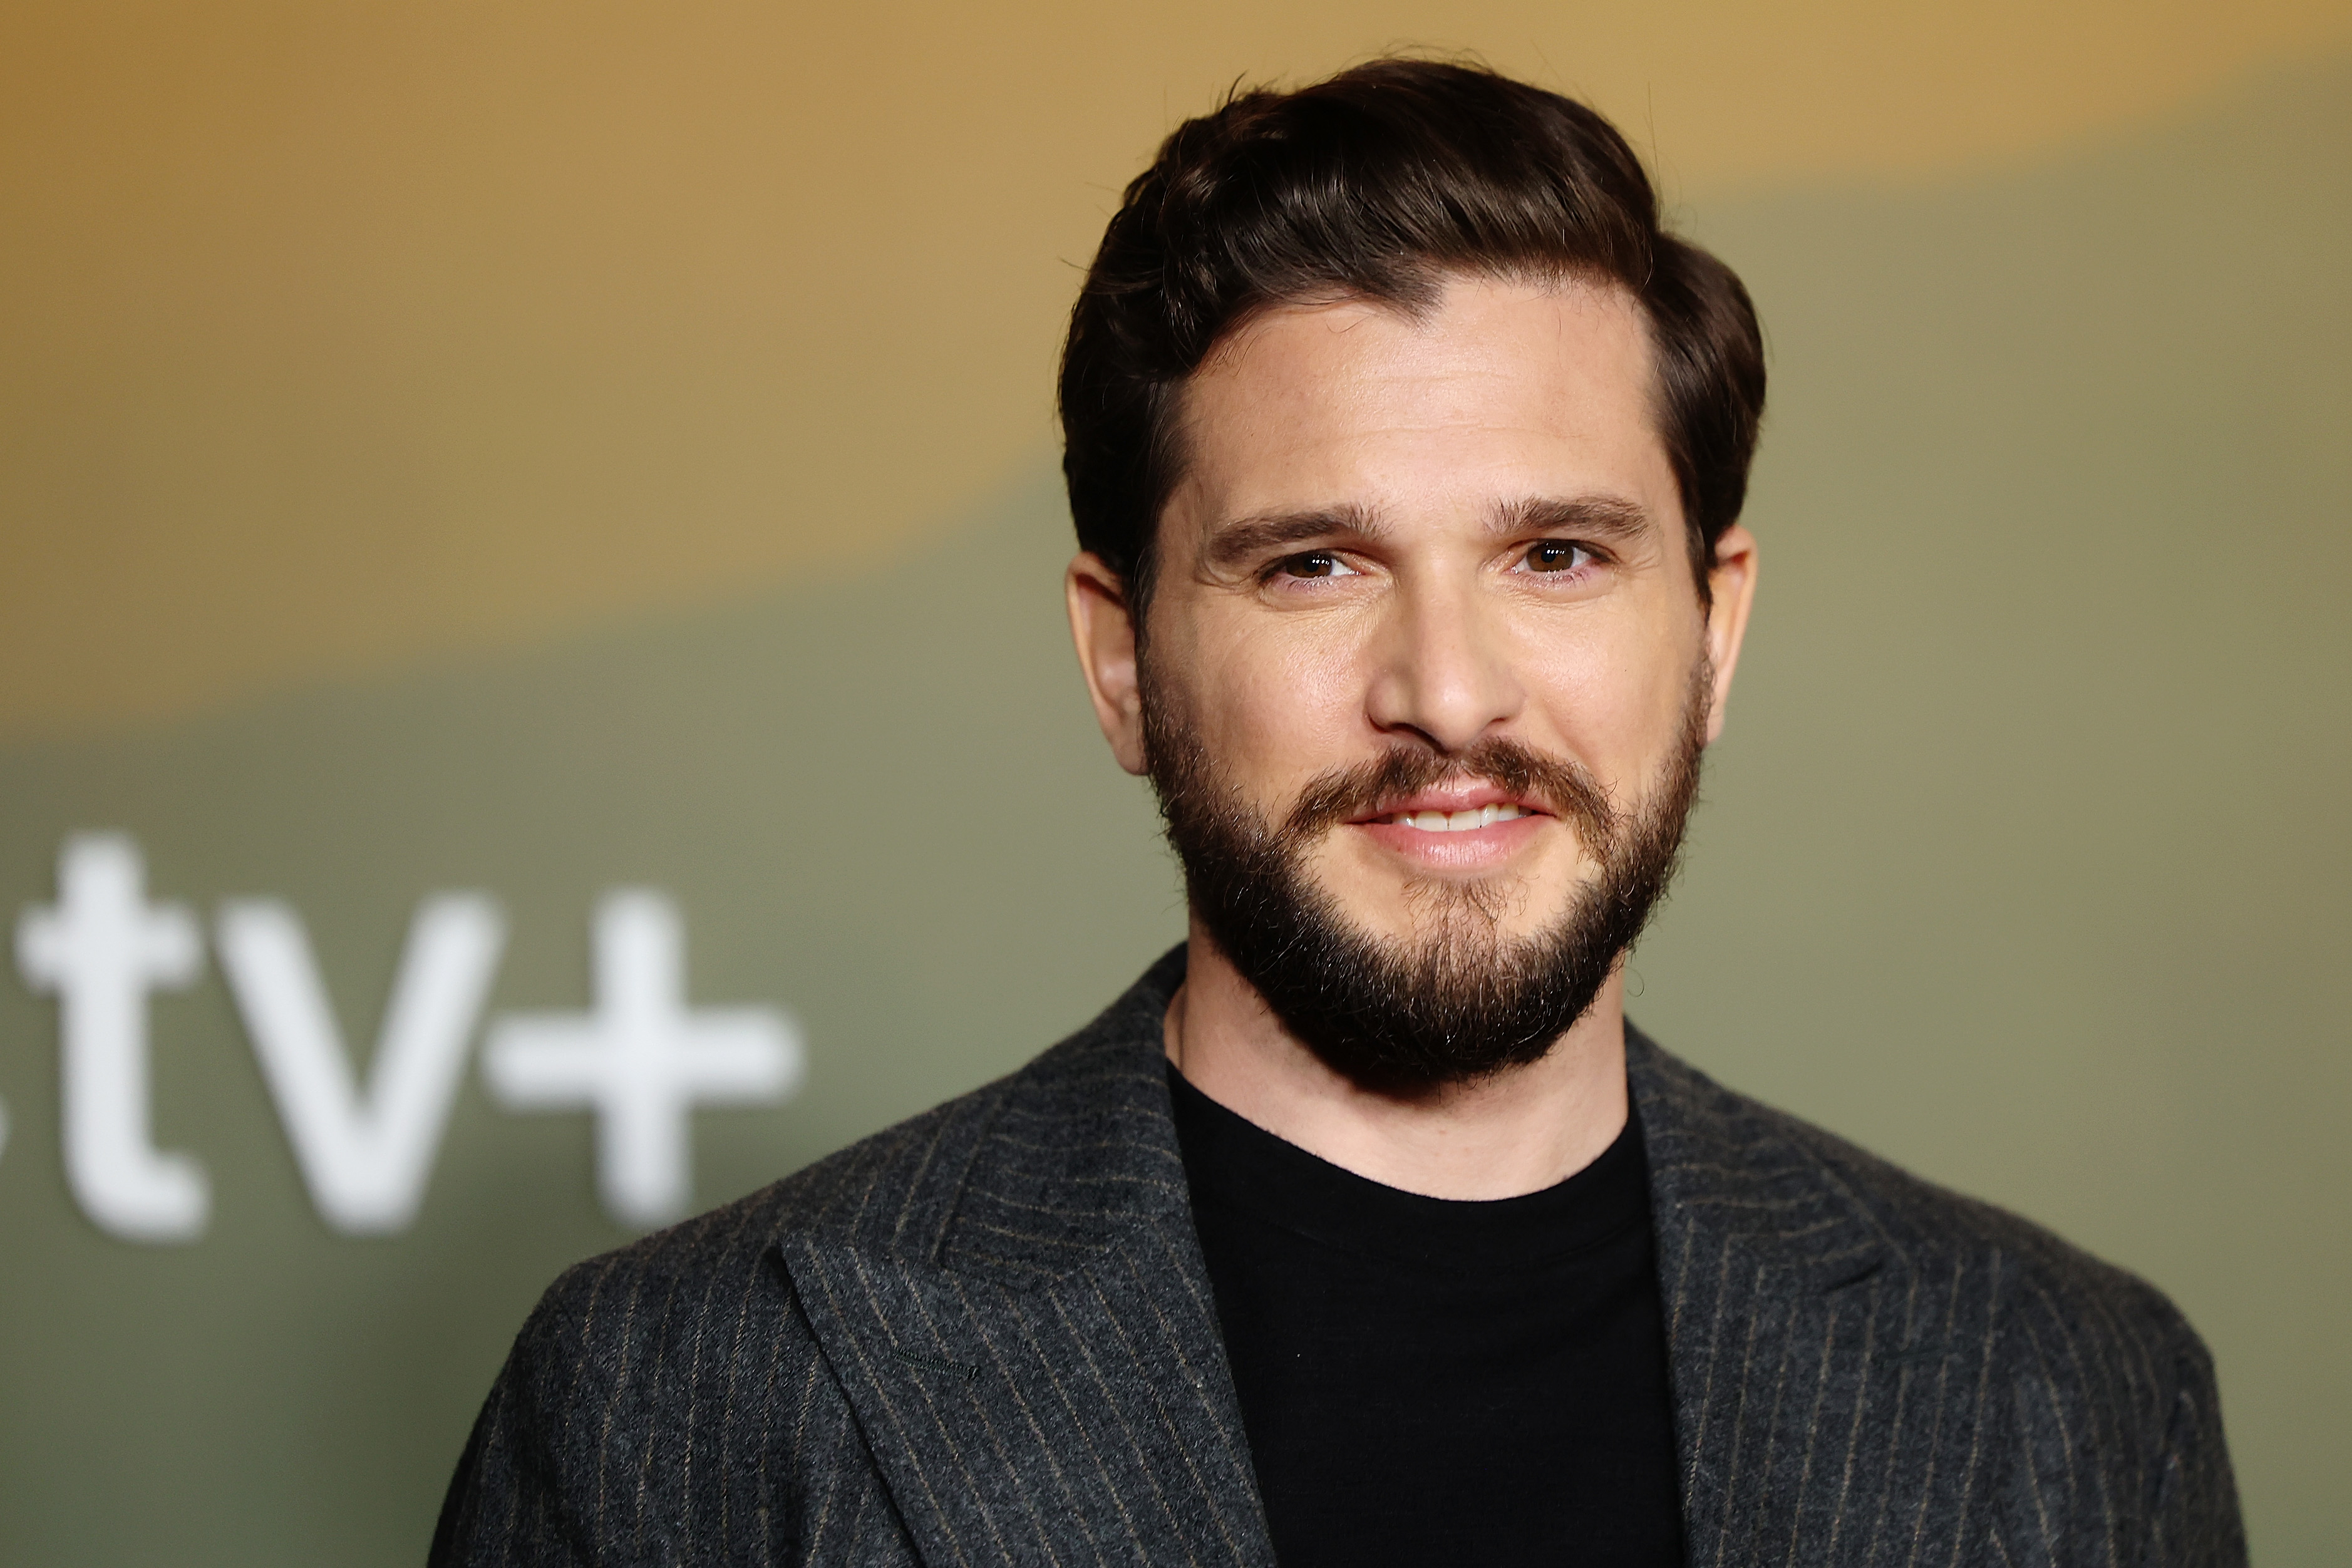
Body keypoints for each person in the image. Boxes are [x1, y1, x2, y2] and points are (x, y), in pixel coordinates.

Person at [430, 58, 2244, 1567]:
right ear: (1122, 658)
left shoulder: (2061, 1400)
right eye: (1310, 565)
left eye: (1554, 554)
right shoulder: (681, 1402)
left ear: (1712, 629)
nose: (1447, 694)